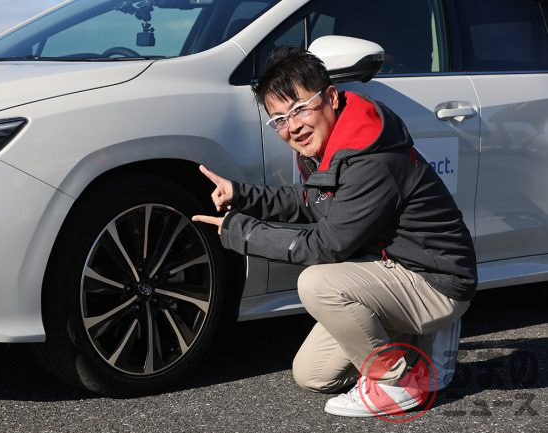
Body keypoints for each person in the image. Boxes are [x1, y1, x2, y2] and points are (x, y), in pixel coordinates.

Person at [192, 46, 477, 417]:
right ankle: (423, 341)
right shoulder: (332, 143)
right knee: (313, 375)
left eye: (300, 109)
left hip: (435, 279)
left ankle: (395, 384)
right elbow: (311, 201)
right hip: (391, 269)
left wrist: (241, 233)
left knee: (318, 283)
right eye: (279, 119)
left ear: (330, 96)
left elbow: (328, 245)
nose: (292, 126)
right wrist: (242, 195)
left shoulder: (370, 157)